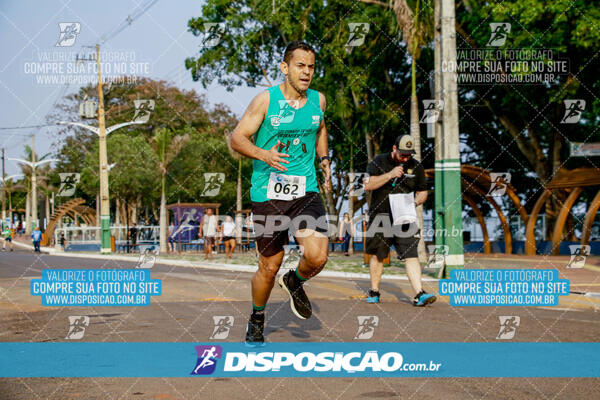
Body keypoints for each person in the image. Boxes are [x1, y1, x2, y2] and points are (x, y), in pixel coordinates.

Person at [231, 41, 331, 346]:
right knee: (269, 266)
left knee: (317, 256)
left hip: (305, 191)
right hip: (268, 194)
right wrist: (264, 155)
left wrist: (324, 160)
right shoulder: (266, 100)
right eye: (300, 65)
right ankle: (257, 317)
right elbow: (237, 138)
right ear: (285, 68)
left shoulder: (318, 101)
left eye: (311, 66)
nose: (307, 72)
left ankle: (295, 280)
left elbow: (320, 129)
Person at [363, 134, 436, 307]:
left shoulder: (416, 166)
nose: (406, 158)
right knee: (377, 255)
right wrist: (390, 175)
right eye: (403, 154)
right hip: (380, 216)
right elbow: (368, 184)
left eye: (409, 154)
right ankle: (374, 291)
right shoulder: (378, 162)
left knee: (411, 255)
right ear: (394, 149)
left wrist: (416, 201)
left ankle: (419, 293)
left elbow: (423, 191)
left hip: (405, 218)